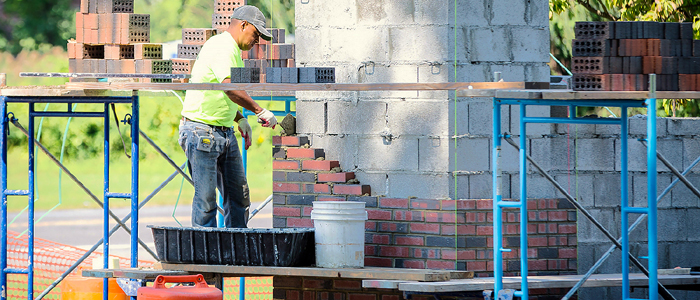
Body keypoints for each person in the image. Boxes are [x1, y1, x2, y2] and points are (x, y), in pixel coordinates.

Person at [179, 5, 277, 228]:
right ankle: (207, 259)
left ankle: (235, 253)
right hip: (201, 131)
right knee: (206, 202)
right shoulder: (222, 46)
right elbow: (230, 89)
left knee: (238, 197)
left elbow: (232, 95)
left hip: (223, 131)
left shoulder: (236, 54)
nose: (257, 41)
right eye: (256, 34)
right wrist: (259, 111)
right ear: (243, 25)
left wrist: (240, 119)